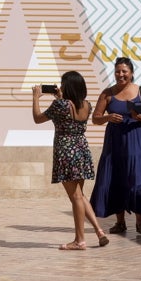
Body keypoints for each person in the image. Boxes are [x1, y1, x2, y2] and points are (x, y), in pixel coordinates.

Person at [32, 71, 109, 250]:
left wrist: (36, 97)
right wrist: (61, 97)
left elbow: (37, 119)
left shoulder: (60, 105)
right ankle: (99, 231)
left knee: (75, 197)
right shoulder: (87, 105)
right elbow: (71, 109)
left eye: (63, 84)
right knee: (80, 195)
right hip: (81, 150)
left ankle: (79, 240)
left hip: (66, 152)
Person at [90, 57, 141, 234]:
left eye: (124, 71)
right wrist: (107, 118)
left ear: (131, 73)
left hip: (137, 141)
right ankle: (120, 222)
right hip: (115, 143)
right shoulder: (107, 93)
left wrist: (140, 118)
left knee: (139, 182)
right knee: (116, 180)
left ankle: (140, 222)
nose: (121, 74)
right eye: (118, 71)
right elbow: (95, 118)